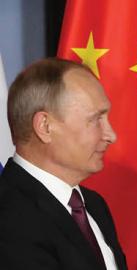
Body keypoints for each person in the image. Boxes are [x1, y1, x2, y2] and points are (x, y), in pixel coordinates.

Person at [0, 58, 127, 270]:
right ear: (45, 127)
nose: (111, 135)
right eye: (96, 119)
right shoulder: (9, 217)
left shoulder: (94, 205)